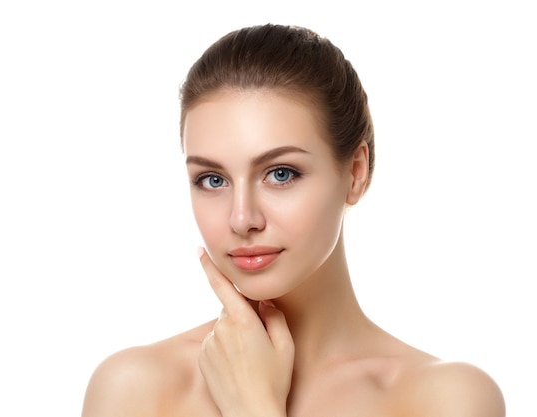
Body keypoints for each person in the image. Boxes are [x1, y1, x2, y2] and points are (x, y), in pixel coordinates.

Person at [80, 23, 505, 416]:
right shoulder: (133, 390)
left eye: (281, 174)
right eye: (212, 179)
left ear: (355, 172)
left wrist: (255, 406)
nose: (242, 218)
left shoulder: (445, 398)